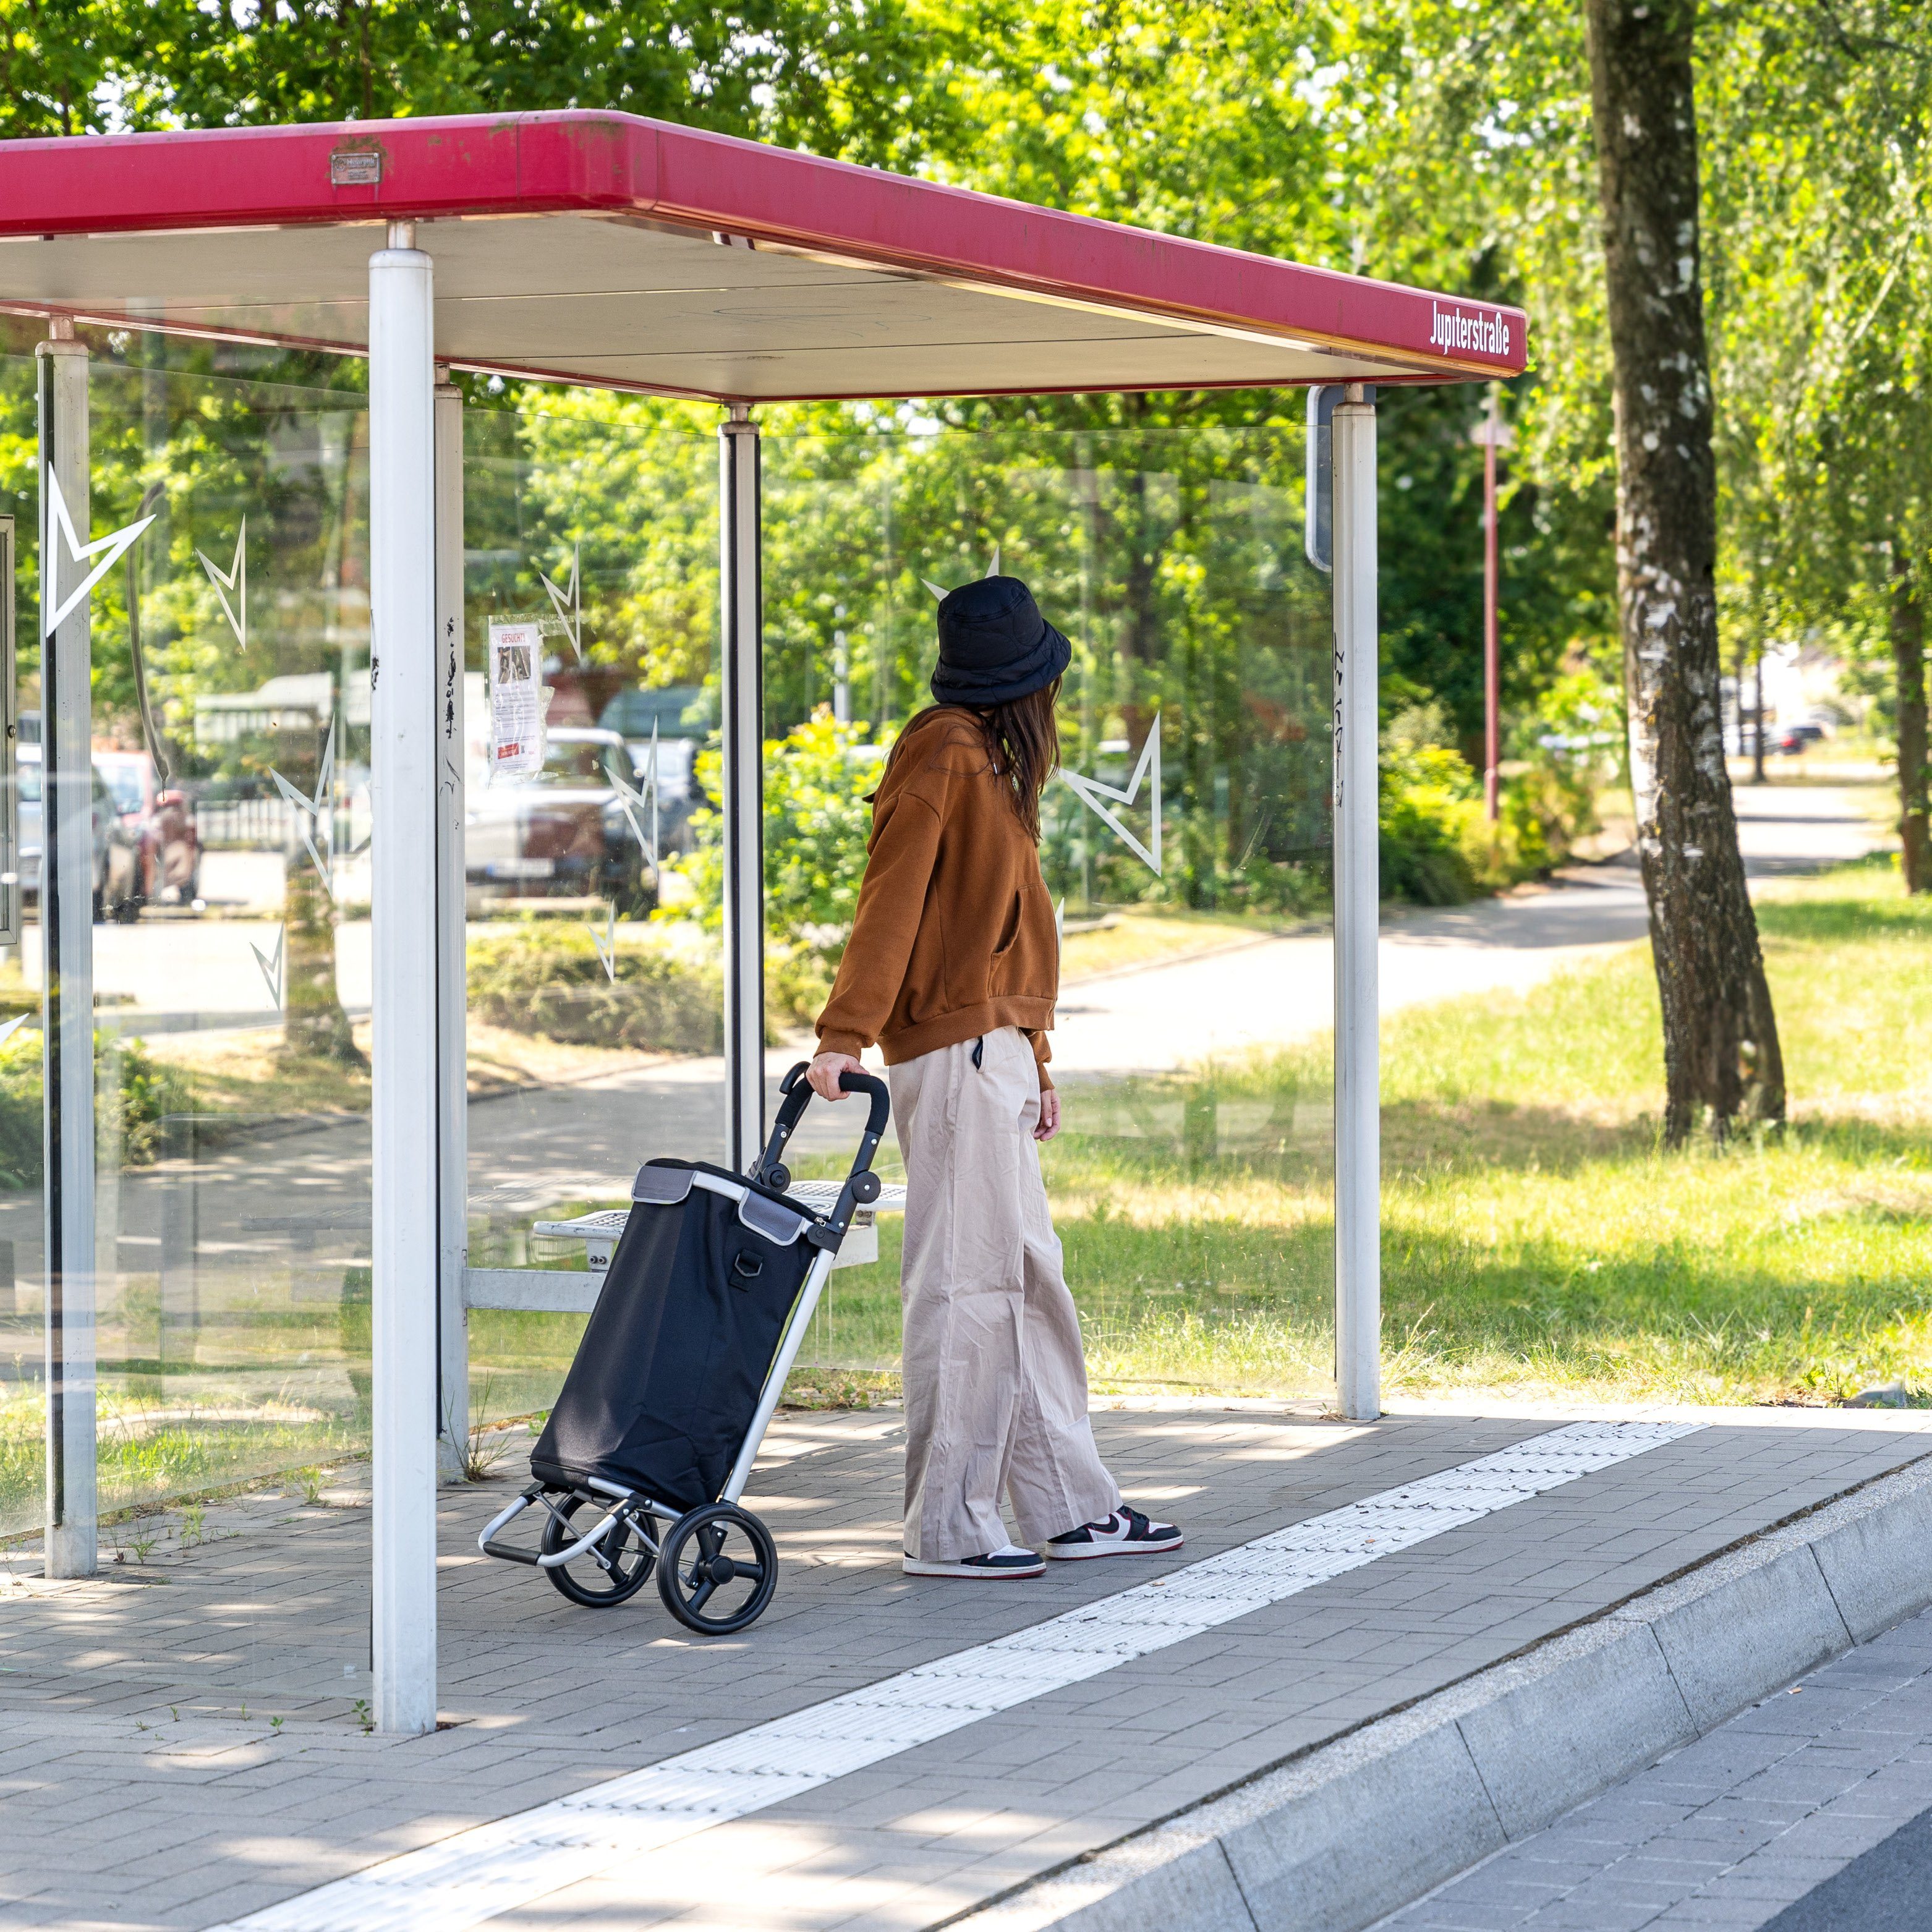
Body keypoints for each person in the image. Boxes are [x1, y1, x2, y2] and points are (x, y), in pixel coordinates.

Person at [808, 574, 1183, 1579]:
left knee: (1025, 1279)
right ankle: (948, 1525)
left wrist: (1038, 1058)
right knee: (967, 1288)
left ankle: (1066, 1503)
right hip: (956, 1054)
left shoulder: (987, 762)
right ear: (1029, 682)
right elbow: (890, 899)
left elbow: (1006, 935)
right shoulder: (944, 753)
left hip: (997, 1053)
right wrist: (842, 1034)